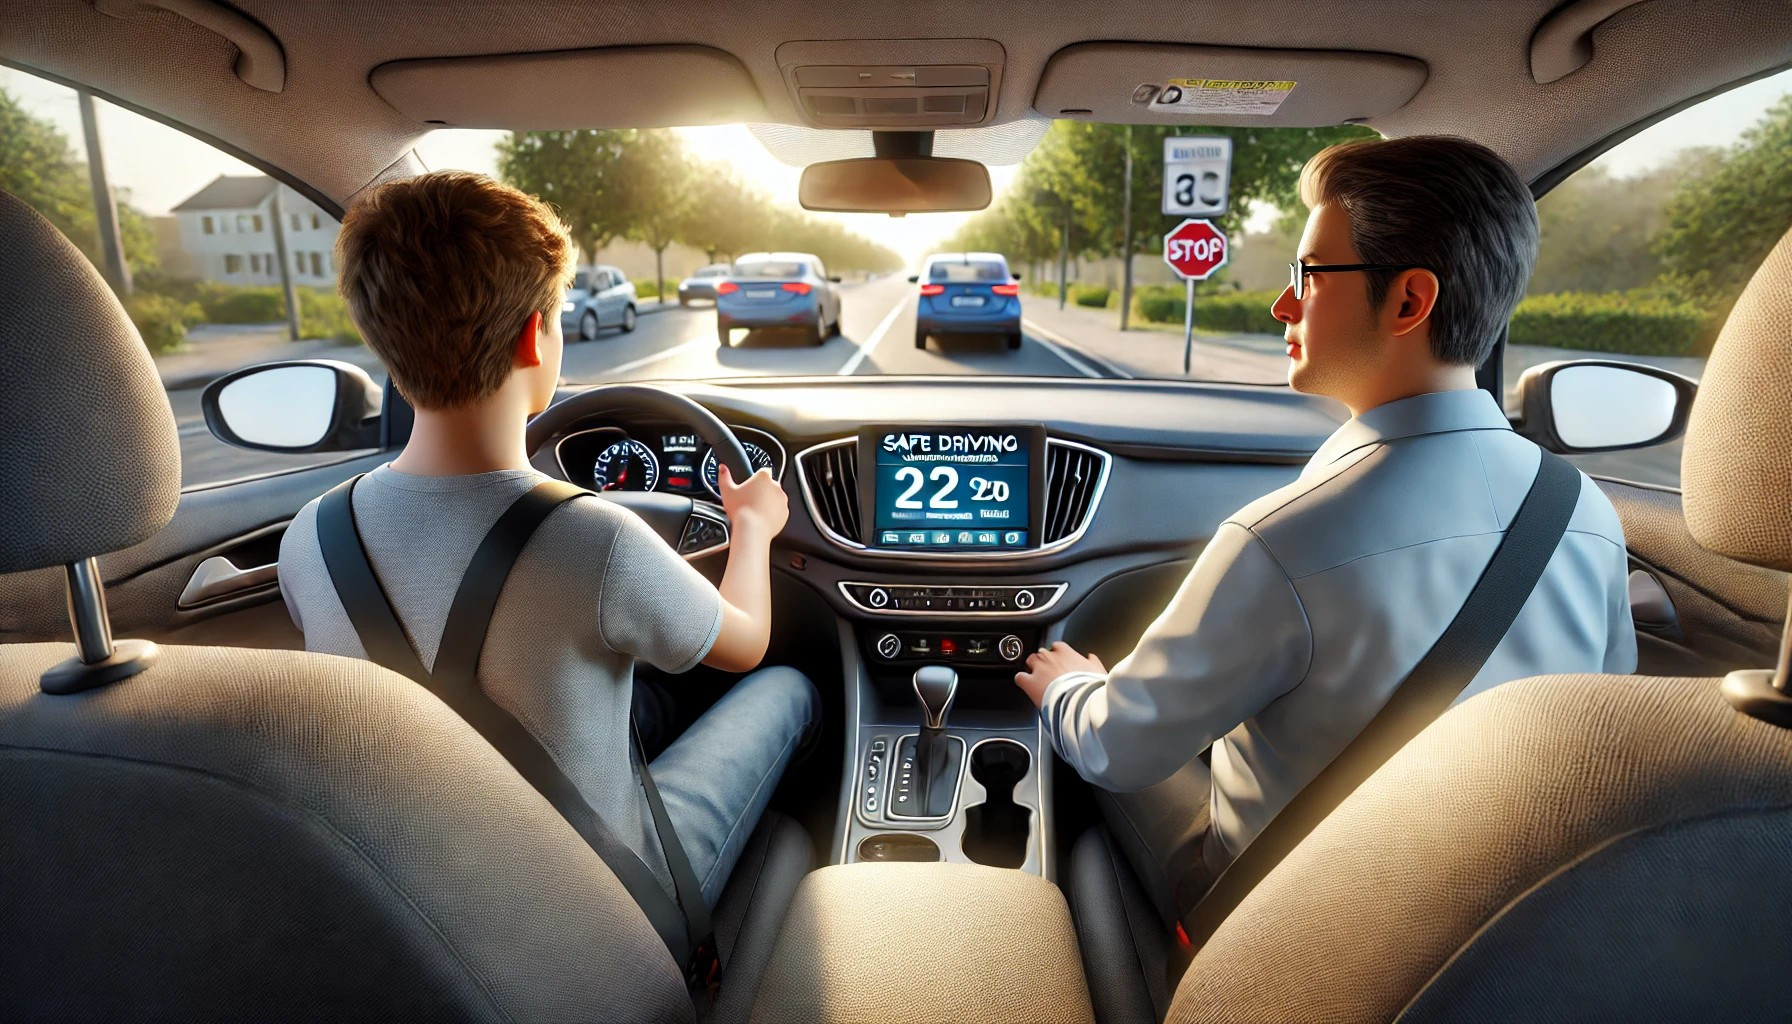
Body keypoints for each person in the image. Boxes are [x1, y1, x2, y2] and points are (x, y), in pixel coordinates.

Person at [1015, 136, 1635, 923]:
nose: (1282, 305)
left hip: (1297, 926)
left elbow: (1119, 748)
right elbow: (1603, 725)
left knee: (1088, 783)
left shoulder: (1283, 541)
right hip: (1498, 925)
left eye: (1306, 275)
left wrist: (1069, 686)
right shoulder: (1584, 512)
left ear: (1410, 301)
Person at [278, 170, 818, 914]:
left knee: (638, 698)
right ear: (537, 335)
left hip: (409, 895)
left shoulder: (310, 535)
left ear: (383, 340)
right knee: (788, 688)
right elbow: (746, 642)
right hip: (603, 902)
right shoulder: (593, 537)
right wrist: (753, 528)